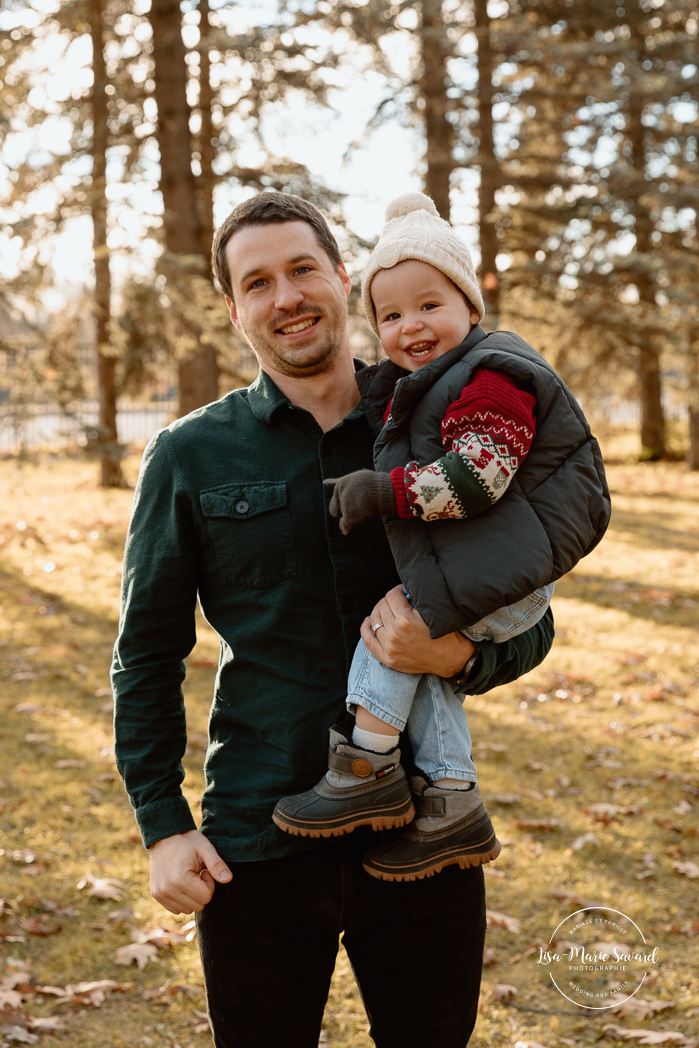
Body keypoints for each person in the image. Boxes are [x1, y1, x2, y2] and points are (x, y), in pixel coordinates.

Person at [112, 191, 557, 1048]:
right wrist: (164, 827)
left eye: (303, 269)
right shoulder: (189, 455)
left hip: (426, 833)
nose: (287, 297)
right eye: (259, 282)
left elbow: (530, 613)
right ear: (233, 308)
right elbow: (146, 653)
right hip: (257, 838)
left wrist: (456, 654)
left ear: (342, 278)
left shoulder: (445, 425)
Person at [272, 192, 610, 885]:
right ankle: (451, 799)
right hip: (495, 570)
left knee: (392, 627)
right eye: (390, 314)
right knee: (415, 648)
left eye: (429, 304)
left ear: (469, 306)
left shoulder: (490, 379)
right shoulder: (428, 384)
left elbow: (479, 475)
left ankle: (365, 762)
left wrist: (384, 491)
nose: (410, 326)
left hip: (506, 578)